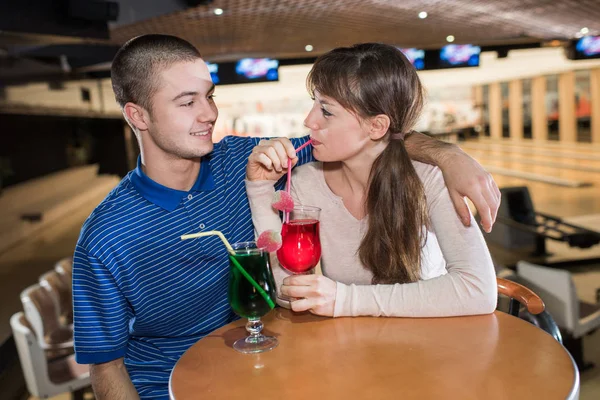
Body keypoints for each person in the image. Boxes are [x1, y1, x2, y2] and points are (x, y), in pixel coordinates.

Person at [73, 35, 499, 399]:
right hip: (170, 384)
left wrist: (449, 155)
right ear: (138, 116)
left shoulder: (247, 159)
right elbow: (105, 366)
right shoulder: (107, 235)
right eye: (187, 102)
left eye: (209, 95)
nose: (208, 113)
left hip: (270, 365)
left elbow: (372, 140)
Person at [245, 43, 497, 318]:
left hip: (430, 346)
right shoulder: (306, 182)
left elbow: (478, 290)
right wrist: (260, 187)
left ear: (376, 126)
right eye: (313, 104)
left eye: (326, 111)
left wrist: (345, 300)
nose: (309, 121)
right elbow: (288, 290)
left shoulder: (430, 179)